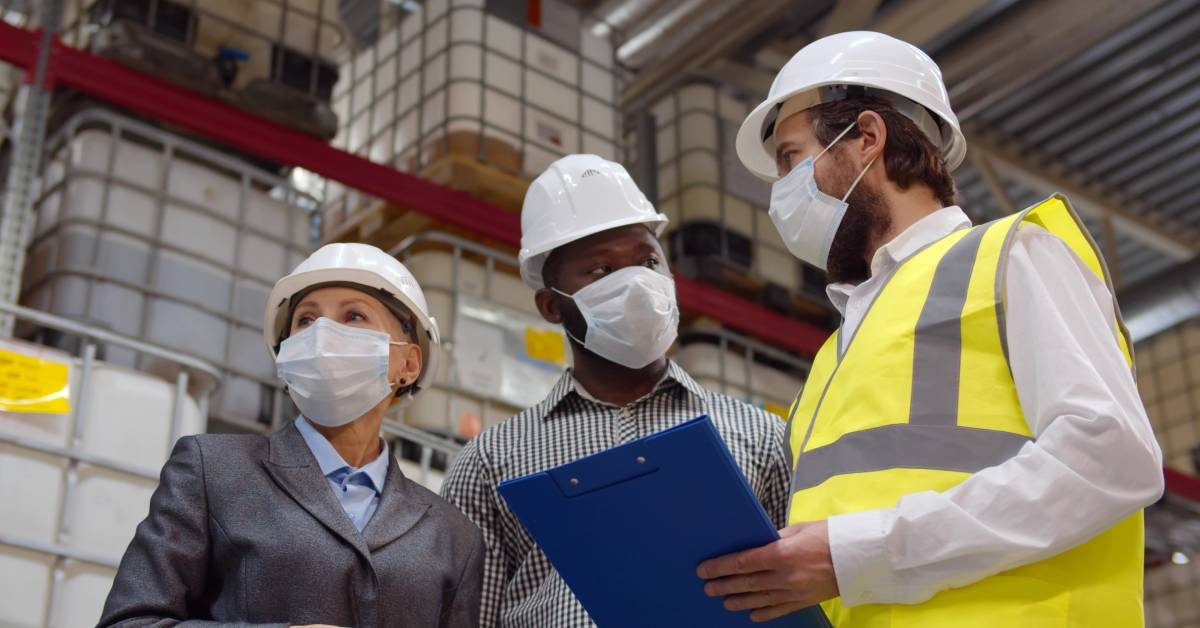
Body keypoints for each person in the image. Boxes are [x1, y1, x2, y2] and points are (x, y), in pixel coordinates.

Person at [696, 31, 1164, 627]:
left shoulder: (1011, 256)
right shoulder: (832, 360)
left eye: (791, 158)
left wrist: (857, 555)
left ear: (867, 138)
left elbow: (1111, 457)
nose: (781, 191)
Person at [439, 153, 792, 627]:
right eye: (601, 271)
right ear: (551, 305)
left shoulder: (761, 437)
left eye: (648, 261)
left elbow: (798, 593)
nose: (636, 283)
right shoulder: (491, 462)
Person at [99, 243, 484, 628]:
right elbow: (129, 623)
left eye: (353, 316)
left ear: (408, 364)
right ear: (286, 354)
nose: (322, 336)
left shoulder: (453, 537)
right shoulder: (212, 471)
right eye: (305, 320)